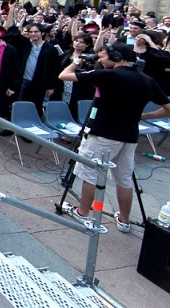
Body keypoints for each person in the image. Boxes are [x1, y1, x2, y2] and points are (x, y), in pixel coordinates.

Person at [59, 42, 170, 233]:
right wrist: (145, 116)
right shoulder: (146, 80)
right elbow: (168, 108)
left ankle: (82, 212)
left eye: (103, 56)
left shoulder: (106, 75)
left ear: (117, 58)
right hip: (129, 135)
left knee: (89, 173)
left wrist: (77, 62)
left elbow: (64, 75)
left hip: (102, 134)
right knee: (124, 179)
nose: (100, 60)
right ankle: (124, 220)